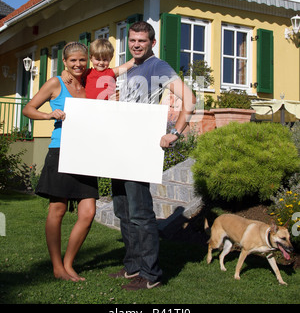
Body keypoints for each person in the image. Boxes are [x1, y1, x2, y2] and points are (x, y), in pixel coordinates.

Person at [110, 21, 196, 291]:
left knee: (140, 213)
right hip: (121, 147)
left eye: (142, 41)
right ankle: (133, 266)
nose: (136, 44)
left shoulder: (157, 66)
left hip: (140, 149)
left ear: (152, 43)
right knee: (122, 210)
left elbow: (190, 100)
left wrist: (176, 132)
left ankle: (151, 274)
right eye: (132, 40)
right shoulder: (132, 67)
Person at [23, 42, 99, 282]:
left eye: (82, 60)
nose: (78, 64)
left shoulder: (87, 82)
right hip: (61, 150)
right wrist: (49, 114)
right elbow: (28, 108)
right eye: (73, 60)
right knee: (58, 209)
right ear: (64, 61)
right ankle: (57, 266)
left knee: (88, 212)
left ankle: (69, 263)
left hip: (86, 152)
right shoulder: (55, 83)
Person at [62, 38, 134, 100]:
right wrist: (64, 72)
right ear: (91, 58)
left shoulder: (112, 72)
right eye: (98, 59)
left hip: (107, 107)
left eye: (105, 60)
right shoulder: (87, 72)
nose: (101, 63)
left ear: (110, 59)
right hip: (90, 108)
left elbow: (130, 63)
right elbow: (73, 72)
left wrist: (143, 54)